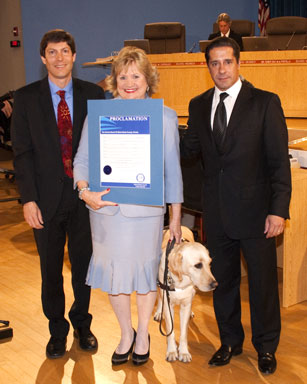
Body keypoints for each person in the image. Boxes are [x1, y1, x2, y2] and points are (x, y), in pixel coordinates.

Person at [180, 37, 291, 375]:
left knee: (262, 285)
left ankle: (266, 347)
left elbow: (278, 164)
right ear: (208, 66)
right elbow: (187, 151)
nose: (221, 69)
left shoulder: (265, 103)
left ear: (238, 63)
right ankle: (229, 341)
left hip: (258, 215)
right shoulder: (198, 105)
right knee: (223, 282)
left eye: (227, 61)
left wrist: (278, 210)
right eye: (214, 63)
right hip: (217, 214)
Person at [73, 46, 183, 366]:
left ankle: (144, 334)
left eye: (136, 75)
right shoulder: (100, 115)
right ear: (114, 80)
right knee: (115, 276)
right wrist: (84, 192)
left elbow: (173, 173)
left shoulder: (164, 116)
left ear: (148, 79)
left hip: (145, 214)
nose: (129, 82)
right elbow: (81, 161)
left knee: (144, 276)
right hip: (105, 211)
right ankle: (125, 333)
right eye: (123, 76)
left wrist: (175, 220)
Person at [11, 29, 105, 359]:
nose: (59, 58)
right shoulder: (25, 99)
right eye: (52, 52)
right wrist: (28, 199)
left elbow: (104, 146)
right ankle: (57, 331)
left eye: (65, 51)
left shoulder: (94, 94)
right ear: (43, 58)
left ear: (74, 56)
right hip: (44, 201)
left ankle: (82, 323)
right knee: (50, 272)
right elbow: (22, 154)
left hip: (84, 198)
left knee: (84, 268)